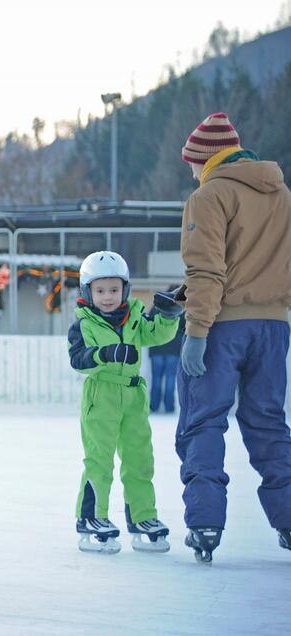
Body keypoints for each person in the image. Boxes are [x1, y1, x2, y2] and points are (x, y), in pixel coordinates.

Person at [175, 112, 291, 562]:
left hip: (222, 327)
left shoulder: (210, 195)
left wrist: (197, 330)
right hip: (274, 327)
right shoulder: (282, 194)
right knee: (268, 423)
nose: (189, 170)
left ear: (205, 157)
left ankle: (205, 521)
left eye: (191, 161)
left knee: (204, 419)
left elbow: (207, 269)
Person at [67, 251, 182, 555]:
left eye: (114, 290)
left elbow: (156, 334)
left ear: (125, 290)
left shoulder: (134, 317)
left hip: (133, 397)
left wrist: (168, 315)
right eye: (100, 290)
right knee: (99, 460)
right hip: (100, 395)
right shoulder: (83, 323)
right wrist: (107, 355)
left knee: (139, 460)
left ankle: (142, 517)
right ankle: (92, 517)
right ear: (87, 292)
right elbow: (78, 359)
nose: (108, 297)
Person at [148, 285, 184, 413]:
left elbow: (149, 322)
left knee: (156, 378)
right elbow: (184, 328)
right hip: (174, 349)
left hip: (157, 348)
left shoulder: (158, 305)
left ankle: (154, 406)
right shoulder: (180, 308)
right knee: (170, 377)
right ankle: (169, 407)